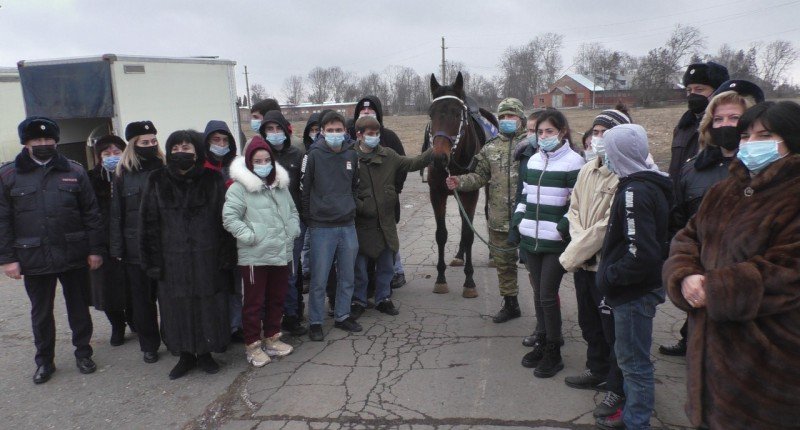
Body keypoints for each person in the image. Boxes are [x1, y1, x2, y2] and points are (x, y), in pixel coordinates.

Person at [663, 101, 800, 429]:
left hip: (768, 359)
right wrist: (685, 275)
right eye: (746, 136)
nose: (752, 144)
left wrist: (717, 288)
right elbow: (688, 237)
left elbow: (790, 268)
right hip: (709, 354)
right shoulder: (725, 190)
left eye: (765, 135)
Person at [659, 80, 764, 357]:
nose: (725, 125)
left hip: (750, 287)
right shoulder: (692, 170)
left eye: (734, 118)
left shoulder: (766, 170)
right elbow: (679, 223)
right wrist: (685, 269)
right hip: (699, 274)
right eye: (718, 119)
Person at [0, 117, 104, 384]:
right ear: (27, 143)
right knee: (41, 312)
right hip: (33, 255)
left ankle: (83, 353)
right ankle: (45, 361)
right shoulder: (9, 175)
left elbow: (91, 213)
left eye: (48, 140)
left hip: (73, 252)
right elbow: (3, 220)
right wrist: (7, 259)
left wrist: (95, 249)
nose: (44, 144)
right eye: (37, 140)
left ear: (56, 141)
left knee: (79, 307)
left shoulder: (75, 171)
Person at [139, 130, 234, 379]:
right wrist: (152, 262)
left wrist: (226, 256)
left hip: (208, 258)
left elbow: (225, 221)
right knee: (175, 308)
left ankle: (205, 353)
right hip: (172, 261)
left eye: (187, 148)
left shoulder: (212, 180)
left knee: (208, 305)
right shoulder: (156, 180)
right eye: (177, 148)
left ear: (197, 152)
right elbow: (148, 223)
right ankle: (184, 355)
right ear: (169, 152)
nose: (182, 152)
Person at [596, 124, 671, 430]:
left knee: (634, 364)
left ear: (620, 154)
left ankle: (637, 422)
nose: (606, 159)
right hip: (637, 290)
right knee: (631, 361)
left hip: (632, 294)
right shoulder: (649, 184)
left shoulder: (634, 191)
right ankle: (630, 415)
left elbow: (641, 253)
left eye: (608, 153)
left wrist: (610, 276)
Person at [558, 108, 631, 422]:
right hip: (583, 261)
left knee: (612, 329)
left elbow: (606, 226)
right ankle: (596, 367)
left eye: (606, 133)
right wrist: (578, 246)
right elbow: (573, 208)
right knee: (589, 321)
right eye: (595, 132)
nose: (598, 139)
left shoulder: (627, 173)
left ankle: (617, 385)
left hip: (605, 264)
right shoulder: (588, 170)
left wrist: (575, 251)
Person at [509, 109, 585, 378]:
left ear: (562, 132)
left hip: (555, 241)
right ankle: (542, 339)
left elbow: (577, 204)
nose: (543, 137)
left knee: (547, 295)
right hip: (531, 239)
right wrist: (517, 223)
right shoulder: (533, 162)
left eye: (549, 132)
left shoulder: (574, 162)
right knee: (538, 295)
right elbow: (525, 196)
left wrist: (562, 228)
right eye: (540, 132)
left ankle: (554, 349)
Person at [445, 98, 528, 323]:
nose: (506, 121)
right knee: (504, 265)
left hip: (532, 221)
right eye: (502, 117)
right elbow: (480, 176)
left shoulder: (534, 145)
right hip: (500, 220)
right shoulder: (490, 148)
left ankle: (546, 314)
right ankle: (511, 304)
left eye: (511, 116)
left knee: (538, 271)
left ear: (521, 118)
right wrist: (459, 181)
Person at [223, 137, 300, 367]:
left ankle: (273, 338)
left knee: (277, 298)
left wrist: (293, 229)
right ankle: (253, 345)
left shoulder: (279, 185)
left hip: (281, 252)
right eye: (258, 160)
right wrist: (251, 237)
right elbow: (230, 218)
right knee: (254, 303)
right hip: (255, 256)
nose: (263, 164)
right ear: (249, 163)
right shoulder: (239, 188)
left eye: (267, 159)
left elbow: (293, 211)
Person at [351, 116, 432, 317]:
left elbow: (413, 163)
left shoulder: (389, 156)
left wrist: (433, 149)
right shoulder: (350, 157)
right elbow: (344, 189)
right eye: (370, 134)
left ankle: (383, 299)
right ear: (359, 135)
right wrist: (361, 205)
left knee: (386, 266)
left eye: (377, 134)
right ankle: (359, 300)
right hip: (361, 224)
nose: (374, 138)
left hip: (385, 222)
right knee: (359, 268)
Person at [300, 111, 360, 341]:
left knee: (347, 276)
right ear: (322, 132)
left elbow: (354, 185)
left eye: (339, 130)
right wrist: (310, 218)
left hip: (347, 224)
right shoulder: (313, 155)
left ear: (346, 132)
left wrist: (351, 207)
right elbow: (304, 190)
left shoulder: (351, 155)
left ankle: (343, 315)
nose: (335, 134)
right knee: (319, 278)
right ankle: (315, 321)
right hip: (321, 227)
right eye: (330, 130)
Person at [110, 121, 164, 364]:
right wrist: (117, 249)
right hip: (135, 249)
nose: (151, 145)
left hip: (164, 246)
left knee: (169, 298)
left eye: (153, 141)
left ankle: (173, 339)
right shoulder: (123, 174)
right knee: (142, 302)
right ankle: (149, 345)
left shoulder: (166, 168)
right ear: (133, 145)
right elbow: (116, 214)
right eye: (145, 142)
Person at [349, 96, 409, 290]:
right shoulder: (351, 143)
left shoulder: (389, 137)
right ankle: (365, 289)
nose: (367, 113)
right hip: (363, 210)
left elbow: (402, 165)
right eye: (363, 111)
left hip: (386, 203)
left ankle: (396, 273)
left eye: (371, 111)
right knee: (365, 249)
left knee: (388, 240)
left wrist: (393, 190)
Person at [257, 111, 307, 336]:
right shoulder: (259, 158)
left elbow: (302, 189)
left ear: (286, 131)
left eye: (278, 129)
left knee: (291, 272)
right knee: (270, 273)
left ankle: (293, 315)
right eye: (269, 129)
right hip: (266, 224)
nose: (274, 134)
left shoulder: (297, 155)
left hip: (292, 223)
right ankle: (270, 318)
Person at [88, 135, 132, 346]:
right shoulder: (90, 179)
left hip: (129, 240)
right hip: (102, 242)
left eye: (117, 153)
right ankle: (117, 324)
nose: (112, 157)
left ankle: (135, 321)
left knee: (133, 286)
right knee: (106, 288)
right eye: (107, 154)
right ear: (99, 157)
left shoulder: (131, 174)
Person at [202, 120, 243, 343]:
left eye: (225, 140)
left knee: (235, 285)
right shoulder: (200, 169)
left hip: (233, 237)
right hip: (210, 238)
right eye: (216, 140)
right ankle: (218, 327)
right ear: (207, 142)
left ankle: (236, 325)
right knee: (215, 287)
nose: (221, 144)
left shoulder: (235, 169)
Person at [667, 61, 729, 187]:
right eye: (689, 90)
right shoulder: (682, 127)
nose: (692, 94)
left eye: (699, 89)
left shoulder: (725, 128)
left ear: (718, 92)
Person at [300, 112, 322, 288]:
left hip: (323, 210)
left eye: (318, 129)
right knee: (307, 243)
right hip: (308, 209)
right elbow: (303, 184)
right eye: (312, 130)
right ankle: (307, 272)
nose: (314, 133)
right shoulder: (305, 152)